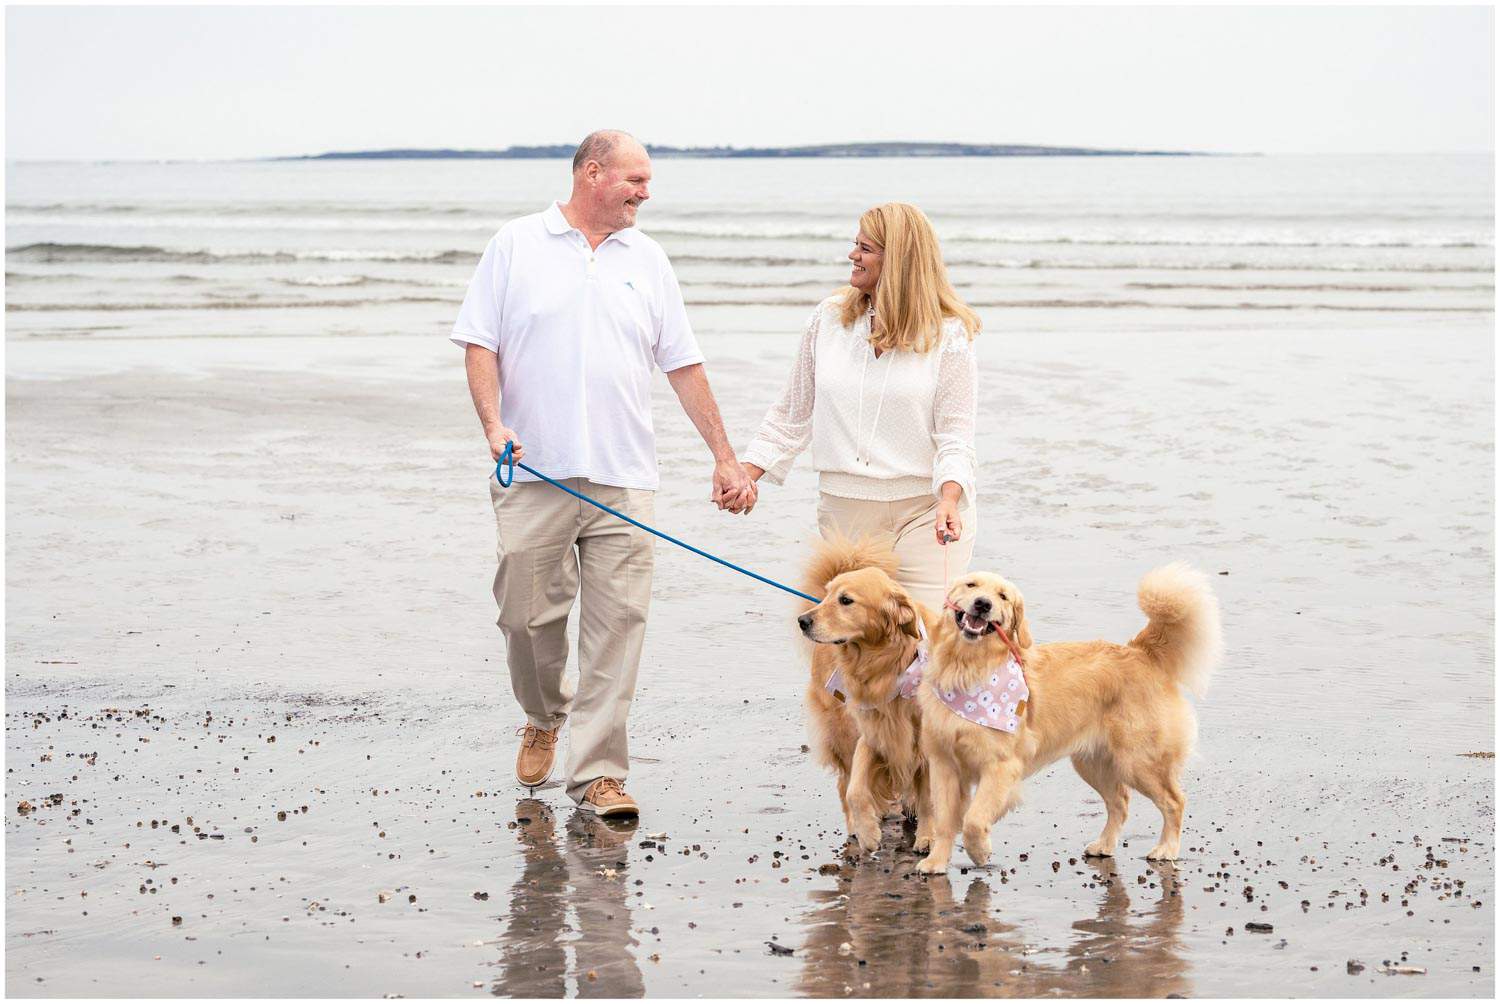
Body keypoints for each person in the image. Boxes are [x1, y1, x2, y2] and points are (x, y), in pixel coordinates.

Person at [452, 129, 756, 818]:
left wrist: (725, 455)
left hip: (625, 478)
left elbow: (682, 364)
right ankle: (542, 713)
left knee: (619, 627)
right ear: (593, 174)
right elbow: (479, 343)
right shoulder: (515, 246)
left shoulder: (648, 260)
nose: (646, 193)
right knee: (526, 619)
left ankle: (599, 776)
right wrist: (494, 425)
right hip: (534, 476)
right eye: (636, 180)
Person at [740, 202, 979, 611]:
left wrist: (950, 499)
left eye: (865, 248)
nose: (853, 255)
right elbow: (791, 414)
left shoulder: (949, 335)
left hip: (924, 513)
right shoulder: (829, 320)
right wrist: (746, 474)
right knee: (847, 651)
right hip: (845, 515)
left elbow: (955, 436)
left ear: (899, 259)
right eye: (856, 244)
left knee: (923, 646)